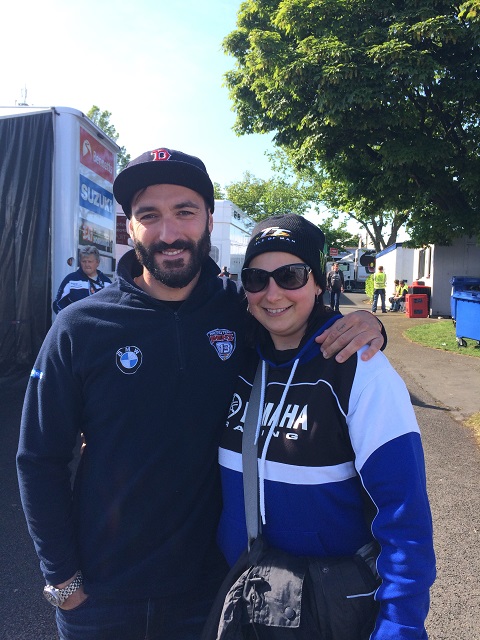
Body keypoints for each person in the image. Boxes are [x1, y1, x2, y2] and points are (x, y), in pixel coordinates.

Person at [17, 148, 387, 640]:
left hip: (211, 592)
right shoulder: (79, 327)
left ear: (209, 220)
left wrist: (364, 323)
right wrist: (62, 578)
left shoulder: (243, 310)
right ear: (130, 227)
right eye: (150, 215)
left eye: (185, 212)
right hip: (101, 600)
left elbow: (301, 324)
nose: (169, 233)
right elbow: (39, 458)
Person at [216, 214, 435, 639]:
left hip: (330, 608)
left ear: (319, 283)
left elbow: (405, 516)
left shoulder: (360, 368)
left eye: (291, 276)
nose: (272, 293)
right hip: (243, 602)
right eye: (257, 279)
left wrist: (401, 626)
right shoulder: (235, 358)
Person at [52, 245, 112, 313]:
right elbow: (57, 304)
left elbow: (113, 305)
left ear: (97, 262)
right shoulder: (71, 280)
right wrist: (68, 318)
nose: (87, 265)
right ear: (80, 262)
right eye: (84, 261)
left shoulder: (107, 283)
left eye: (90, 261)